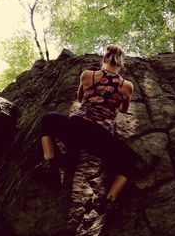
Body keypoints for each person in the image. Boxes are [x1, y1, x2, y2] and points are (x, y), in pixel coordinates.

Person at [35, 44, 138, 209]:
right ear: (121, 64)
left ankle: (51, 165)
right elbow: (124, 109)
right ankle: (110, 200)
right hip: (99, 137)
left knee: (47, 119)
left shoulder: (88, 75)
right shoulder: (127, 86)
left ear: (104, 59)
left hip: (77, 127)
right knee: (130, 159)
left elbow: (81, 98)